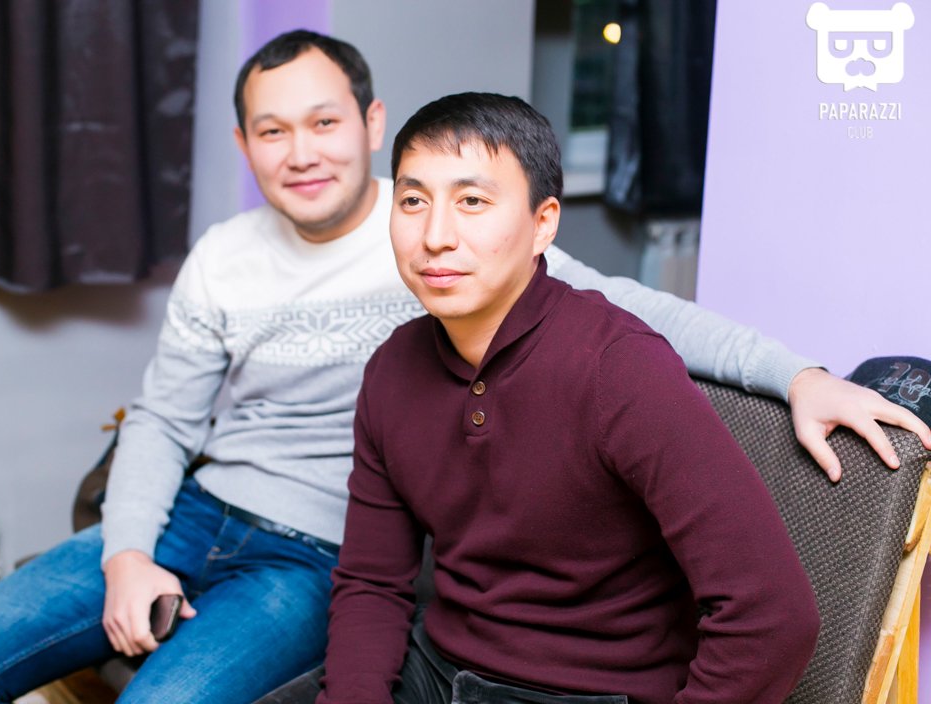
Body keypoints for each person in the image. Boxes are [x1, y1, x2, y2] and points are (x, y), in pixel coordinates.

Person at [0, 29, 927, 704]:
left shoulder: (492, 269)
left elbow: (648, 318)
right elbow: (168, 423)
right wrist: (129, 550)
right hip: (212, 514)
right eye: (272, 131)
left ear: (368, 125)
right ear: (244, 146)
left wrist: (799, 373)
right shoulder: (256, 273)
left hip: (311, 554)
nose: (301, 152)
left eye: (323, 122)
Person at [318, 91, 819, 704]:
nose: (435, 236)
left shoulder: (620, 367)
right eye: (413, 201)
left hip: (585, 691)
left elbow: (773, 617)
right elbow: (371, 583)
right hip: (438, 668)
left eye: (472, 201)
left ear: (543, 224)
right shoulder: (393, 368)